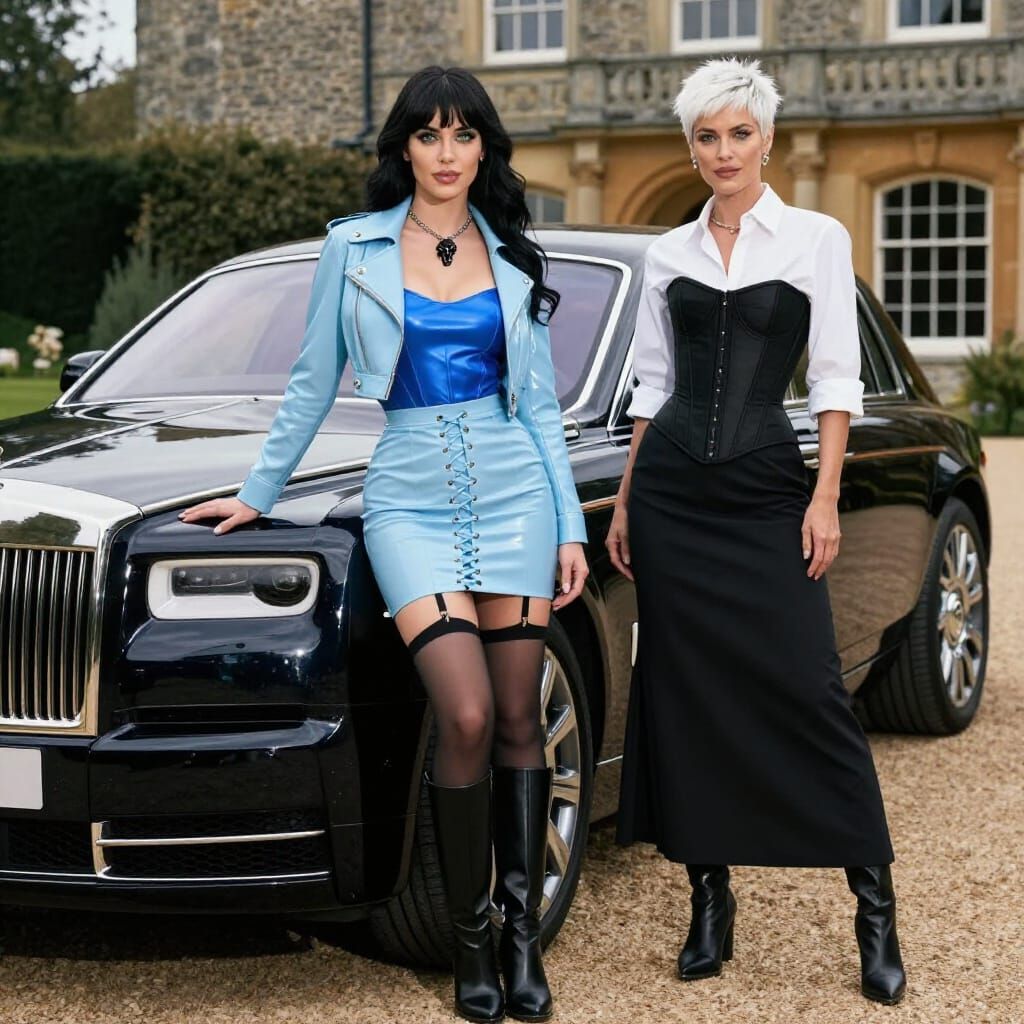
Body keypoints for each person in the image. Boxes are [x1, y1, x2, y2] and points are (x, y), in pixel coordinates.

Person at [180, 66, 589, 1024]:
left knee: (523, 718)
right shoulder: (353, 251)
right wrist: (255, 496)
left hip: (517, 495)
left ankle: (524, 938)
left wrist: (569, 524)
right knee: (468, 716)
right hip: (406, 497)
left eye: (463, 136)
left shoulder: (517, 259)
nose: (446, 154)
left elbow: (537, 410)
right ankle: (471, 939)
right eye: (428, 135)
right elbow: (311, 380)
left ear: (484, 148)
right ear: (403, 148)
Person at [606, 58, 906, 1006]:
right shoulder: (668, 254)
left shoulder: (816, 236)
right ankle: (709, 898)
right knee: (686, 692)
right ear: (691, 148)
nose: (724, 151)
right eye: (707, 136)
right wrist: (622, 501)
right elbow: (651, 386)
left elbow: (833, 379)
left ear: (767, 141)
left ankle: (875, 908)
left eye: (739, 133)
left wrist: (823, 498)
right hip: (669, 500)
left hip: (768, 489)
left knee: (809, 687)